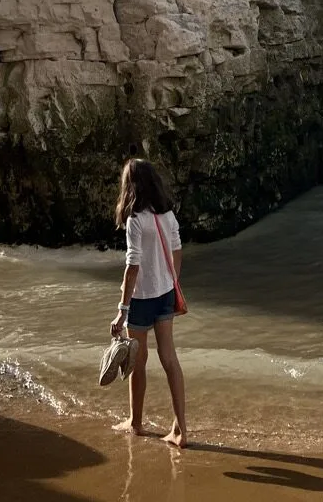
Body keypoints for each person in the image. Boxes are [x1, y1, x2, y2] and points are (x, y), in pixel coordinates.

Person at [110, 158, 187, 447]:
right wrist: (171, 281)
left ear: (129, 188)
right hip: (165, 294)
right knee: (169, 359)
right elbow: (178, 249)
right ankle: (181, 430)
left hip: (141, 300)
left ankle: (136, 422)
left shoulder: (135, 220)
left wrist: (122, 311)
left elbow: (133, 266)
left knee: (137, 362)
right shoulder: (167, 215)